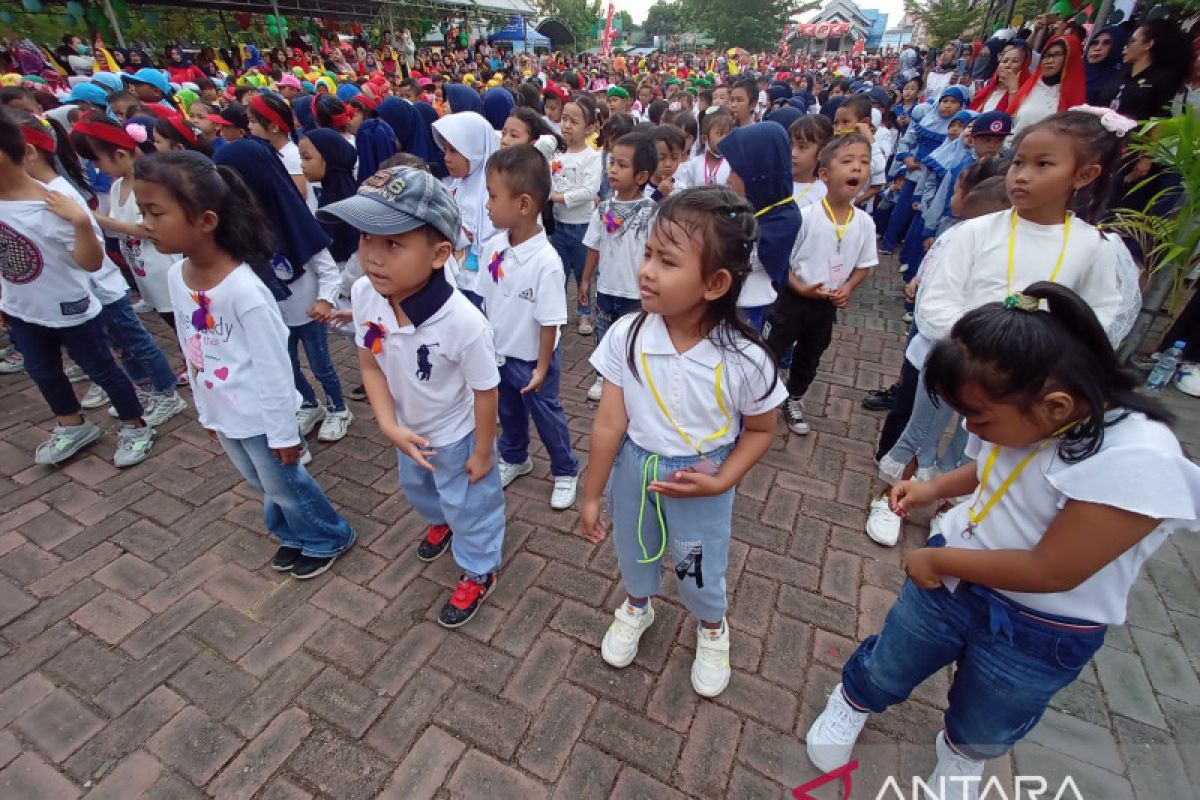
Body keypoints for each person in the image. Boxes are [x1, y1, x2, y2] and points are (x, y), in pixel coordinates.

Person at [806, 282, 1200, 791]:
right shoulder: (1024, 410)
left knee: (993, 712)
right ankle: (855, 698)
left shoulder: (1138, 461)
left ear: (1056, 407)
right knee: (892, 661)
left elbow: (1053, 570)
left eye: (978, 418)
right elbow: (991, 467)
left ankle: (963, 752)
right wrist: (931, 489)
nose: (970, 427)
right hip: (949, 590)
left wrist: (940, 563)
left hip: (1044, 627)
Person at [866, 110, 1141, 546]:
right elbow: (937, 302)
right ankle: (894, 496)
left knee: (976, 445)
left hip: (1027, 377)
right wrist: (980, 348)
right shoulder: (974, 233)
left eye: (1043, 165)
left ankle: (953, 506)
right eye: (1018, 162)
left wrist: (1043, 362)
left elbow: (1103, 318)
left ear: (1085, 175)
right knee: (922, 428)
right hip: (956, 356)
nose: (1022, 176)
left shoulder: (1096, 248)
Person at [580, 186, 786, 698]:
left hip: (702, 478)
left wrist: (722, 481)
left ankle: (712, 625)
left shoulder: (745, 358)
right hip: (635, 470)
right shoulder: (626, 334)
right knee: (635, 549)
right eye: (649, 253)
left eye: (667, 261)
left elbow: (761, 430)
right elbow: (609, 422)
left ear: (714, 283)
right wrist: (592, 492)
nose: (647, 269)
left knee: (697, 560)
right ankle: (637, 603)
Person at [134, 150, 354, 577]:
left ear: (206, 221)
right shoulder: (178, 277)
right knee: (260, 483)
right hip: (224, 409)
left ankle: (329, 535)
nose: (146, 223)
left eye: (156, 212)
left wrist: (284, 432)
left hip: (261, 415)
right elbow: (191, 345)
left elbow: (274, 368)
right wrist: (206, 408)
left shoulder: (245, 292)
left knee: (287, 484)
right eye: (144, 211)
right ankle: (292, 534)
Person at [321, 166, 506, 625]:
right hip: (407, 430)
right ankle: (442, 521)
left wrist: (483, 452)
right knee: (419, 490)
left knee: (472, 506)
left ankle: (479, 569)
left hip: (457, 434)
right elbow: (370, 361)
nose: (373, 257)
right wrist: (388, 424)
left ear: (440, 252)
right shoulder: (366, 294)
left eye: (393, 243)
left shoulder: (464, 324)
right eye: (366, 238)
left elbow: (486, 391)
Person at [0, 109, 155, 467]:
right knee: (42, 371)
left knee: (101, 368)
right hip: (23, 308)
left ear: (20, 153)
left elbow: (90, 262)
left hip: (69, 306)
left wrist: (80, 223)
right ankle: (71, 423)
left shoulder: (54, 203)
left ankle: (135, 424)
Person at [17, 112, 188, 428]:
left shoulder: (144, 184)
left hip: (145, 273)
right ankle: (147, 389)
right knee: (121, 343)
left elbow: (149, 229)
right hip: (136, 272)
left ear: (121, 154)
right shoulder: (119, 183)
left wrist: (93, 219)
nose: (97, 169)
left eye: (98, 161)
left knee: (140, 339)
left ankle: (166, 391)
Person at [213, 138, 353, 445]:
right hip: (272, 318)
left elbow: (326, 267)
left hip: (307, 313)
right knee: (285, 367)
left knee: (320, 364)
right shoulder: (240, 229)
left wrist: (324, 300)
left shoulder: (294, 218)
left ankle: (338, 407)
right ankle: (308, 403)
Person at [478, 145, 580, 510]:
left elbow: (550, 320)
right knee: (508, 412)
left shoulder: (546, 262)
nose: (486, 204)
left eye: (492, 196)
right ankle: (516, 456)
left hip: (533, 360)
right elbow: (483, 301)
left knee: (547, 415)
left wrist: (540, 368)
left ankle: (566, 469)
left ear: (523, 204)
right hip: (499, 353)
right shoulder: (493, 246)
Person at [766, 134, 879, 436]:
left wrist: (849, 287)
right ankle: (759, 397)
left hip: (826, 305)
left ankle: (794, 398)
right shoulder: (806, 217)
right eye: (847, 161)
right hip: (793, 299)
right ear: (825, 175)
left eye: (864, 162)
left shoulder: (865, 223)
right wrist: (800, 287)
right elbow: (781, 261)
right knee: (772, 348)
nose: (857, 168)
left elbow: (864, 265)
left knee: (811, 354)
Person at [580, 131, 659, 402]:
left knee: (637, 336)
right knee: (604, 332)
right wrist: (585, 280)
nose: (612, 169)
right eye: (612, 162)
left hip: (637, 292)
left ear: (641, 176)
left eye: (622, 165)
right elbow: (594, 245)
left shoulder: (652, 211)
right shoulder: (603, 209)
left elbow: (656, 253)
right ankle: (603, 375)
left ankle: (635, 376)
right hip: (607, 288)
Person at [721, 122, 802, 333]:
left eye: (735, 171)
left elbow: (749, 258)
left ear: (757, 172)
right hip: (725, 298)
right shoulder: (745, 203)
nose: (728, 178)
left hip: (751, 305)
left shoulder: (785, 217)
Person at [548, 95, 603, 335]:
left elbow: (590, 191)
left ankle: (585, 314)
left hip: (583, 227)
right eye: (564, 119)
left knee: (583, 275)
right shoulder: (557, 156)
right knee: (558, 274)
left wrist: (558, 197)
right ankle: (557, 314)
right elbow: (552, 182)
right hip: (560, 226)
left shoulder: (591, 156)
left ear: (590, 127)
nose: (567, 125)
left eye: (574, 121)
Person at [432, 110, 497, 308]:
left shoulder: (492, 191)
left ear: (474, 152)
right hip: (455, 280)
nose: (446, 158)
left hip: (482, 285)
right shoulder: (455, 186)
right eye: (445, 150)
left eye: (454, 151)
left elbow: (492, 237)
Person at [1007, 36, 1086, 137]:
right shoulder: (1031, 86)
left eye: (1056, 55)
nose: (1049, 60)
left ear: (1069, 58)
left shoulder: (1074, 96)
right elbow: (1012, 118)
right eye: (1046, 56)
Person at [678, 106, 733, 188]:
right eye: (720, 134)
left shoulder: (733, 165)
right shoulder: (692, 165)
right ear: (704, 139)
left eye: (729, 134)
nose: (726, 138)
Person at [1084, 26, 1130, 106]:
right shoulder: (1072, 71)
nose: (1097, 48)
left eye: (1106, 43)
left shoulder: (1120, 81)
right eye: (1094, 43)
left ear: (1117, 46)